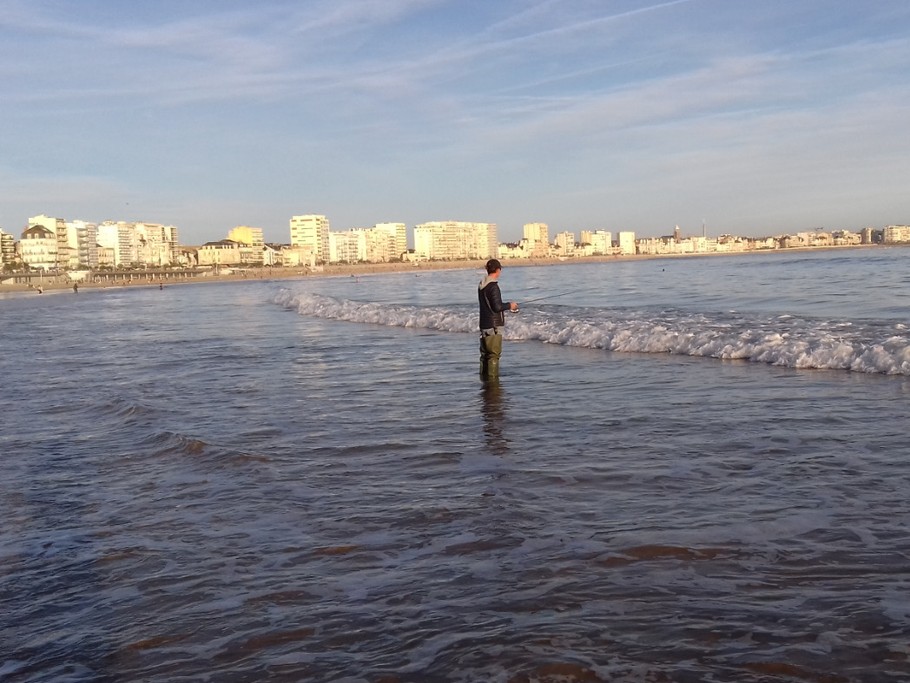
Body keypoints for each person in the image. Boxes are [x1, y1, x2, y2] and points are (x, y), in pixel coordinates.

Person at [478, 258, 518, 379]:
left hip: (484, 323)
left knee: (485, 355)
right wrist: (510, 305)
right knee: (494, 355)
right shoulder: (493, 286)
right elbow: (497, 307)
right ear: (498, 270)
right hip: (493, 324)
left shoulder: (482, 285)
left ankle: (484, 379)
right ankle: (493, 382)